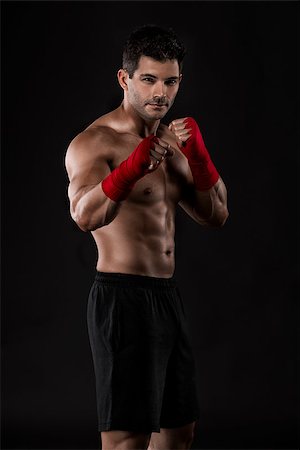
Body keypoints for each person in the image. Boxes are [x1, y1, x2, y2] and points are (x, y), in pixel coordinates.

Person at [65, 24, 228, 450]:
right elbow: (84, 216)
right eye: (149, 80)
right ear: (125, 79)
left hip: (167, 298)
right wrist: (131, 168)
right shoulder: (94, 142)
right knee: (126, 440)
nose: (161, 93)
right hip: (122, 300)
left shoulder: (174, 142)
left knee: (178, 434)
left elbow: (217, 215)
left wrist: (199, 158)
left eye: (170, 81)